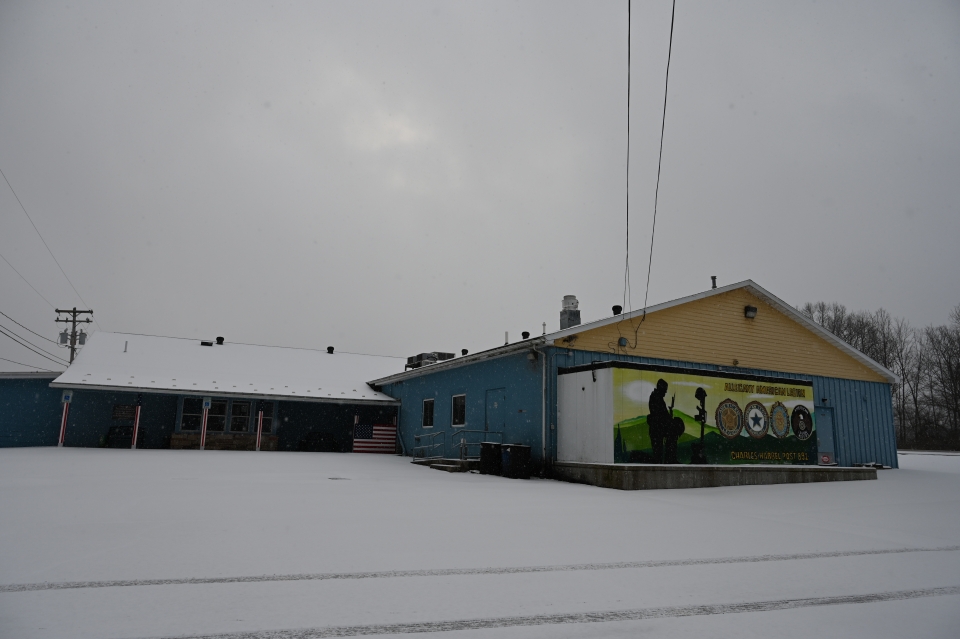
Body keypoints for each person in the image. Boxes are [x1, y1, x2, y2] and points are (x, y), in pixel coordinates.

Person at [647, 379, 671, 463]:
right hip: (657, 430)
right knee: (658, 453)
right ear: (662, 388)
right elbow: (661, 415)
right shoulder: (657, 398)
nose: (666, 392)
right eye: (665, 389)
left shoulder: (655, 397)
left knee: (658, 453)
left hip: (656, 430)